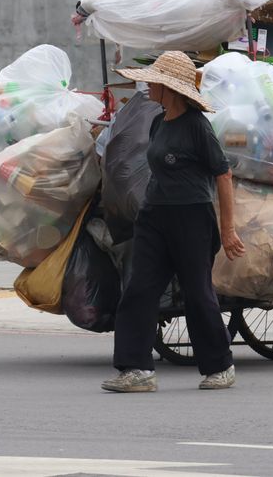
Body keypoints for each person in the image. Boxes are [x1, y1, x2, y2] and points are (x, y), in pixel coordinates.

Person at [102, 51, 245, 393]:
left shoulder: (197, 126)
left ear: (170, 88)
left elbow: (223, 174)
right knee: (139, 288)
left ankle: (220, 366)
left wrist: (227, 230)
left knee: (197, 293)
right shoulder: (158, 122)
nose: (148, 87)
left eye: (154, 82)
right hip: (155, 217)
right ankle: (137, 369)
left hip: (191, 217)